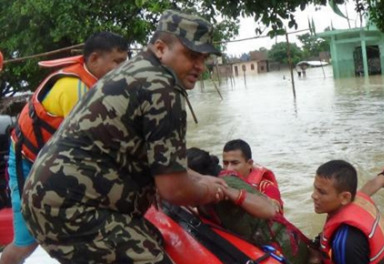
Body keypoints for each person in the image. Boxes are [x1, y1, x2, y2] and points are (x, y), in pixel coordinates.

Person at [21, 10, 227, 263]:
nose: (199, 66)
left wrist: (198, 178)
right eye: (192, 55)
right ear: (161, 48)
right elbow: (173, 189)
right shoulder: (161, 88)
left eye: (204, 58)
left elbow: (162, 163)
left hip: (49, 199)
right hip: (72, 209)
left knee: (152, 237)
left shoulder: (134, 70)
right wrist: (208, 191)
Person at [1, 32, 129, 264]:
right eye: (117, 62)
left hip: (55, 161)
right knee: (26, 242)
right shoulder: (75, 90)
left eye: (125, 61)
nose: (123, 68)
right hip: (27, 163)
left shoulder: (97, 84)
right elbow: (92, 148)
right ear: (93, 60)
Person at [185, 147, 313, 264]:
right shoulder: (202, 192)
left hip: (283, 248)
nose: (230, 168)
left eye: (235, 163)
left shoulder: (226, 185)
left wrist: (230, 192)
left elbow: (270, 210)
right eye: (226, 163)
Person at [311, 160, 384, 264]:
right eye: (315, 189)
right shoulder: (359, 203)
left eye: (322, 192)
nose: (314, 196)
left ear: (345, 197)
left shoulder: (347, 242)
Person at [222, 139, 283, 214]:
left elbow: (273, 214)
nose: (228, 169)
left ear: (249, 163)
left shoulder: (267, 188)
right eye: (225, 163)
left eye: (235, 163)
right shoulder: (220, 183)